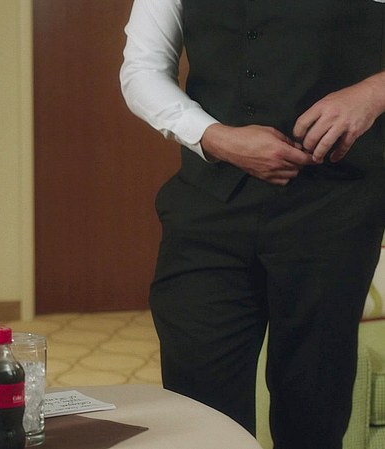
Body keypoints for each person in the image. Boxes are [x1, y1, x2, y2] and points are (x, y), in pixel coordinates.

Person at [120, 1, 385, 448]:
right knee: (198, 410)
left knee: (314, 406)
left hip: (334, 210)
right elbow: (141, 70)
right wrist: (214, 137)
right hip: (207, 209)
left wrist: (373, 93)